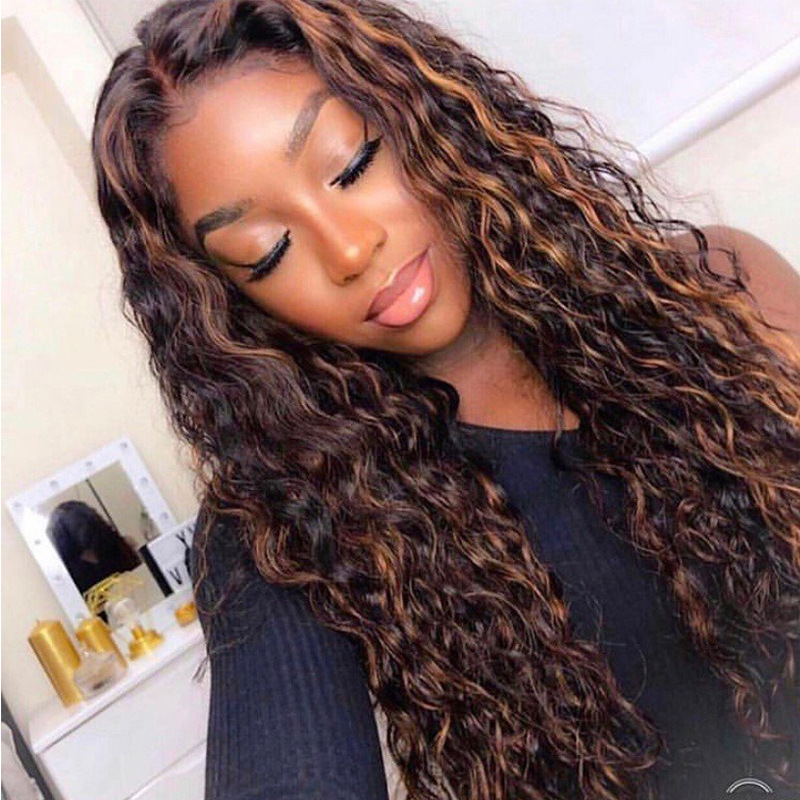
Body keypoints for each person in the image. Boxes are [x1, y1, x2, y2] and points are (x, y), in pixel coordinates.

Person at [89, 1, 800, 798]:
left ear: (424, 116)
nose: (350, 249)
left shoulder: (720, 293)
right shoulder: (285, 525)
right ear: (234, 304)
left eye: (352, 165)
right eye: (269, 251)